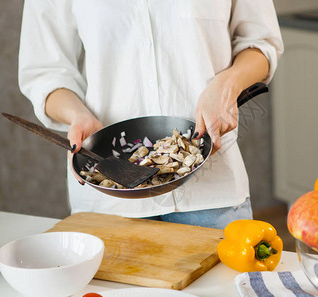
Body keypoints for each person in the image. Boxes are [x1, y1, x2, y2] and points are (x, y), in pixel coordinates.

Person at [18, 0, 283, 229]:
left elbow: (261, 42)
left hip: (211, 193)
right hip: (109, 201)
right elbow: (44, 73)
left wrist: (228, 83)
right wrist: (77, 114)